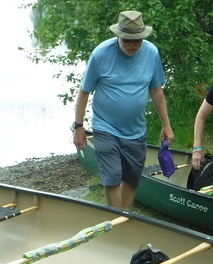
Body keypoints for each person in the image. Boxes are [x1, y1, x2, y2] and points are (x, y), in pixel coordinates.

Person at [72, 11, 174, 209]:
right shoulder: (101, 54)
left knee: (132, 178)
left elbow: (156, 90)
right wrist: (78, 127)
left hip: (136, 130)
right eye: (127, 40)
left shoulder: (151, 53)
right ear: (118, 35)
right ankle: (115, 220)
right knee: (112, 175)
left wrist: (166, 125)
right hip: (105, 126)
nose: (132, 45)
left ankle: (124, 216)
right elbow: (84, 91)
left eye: (137, 40)